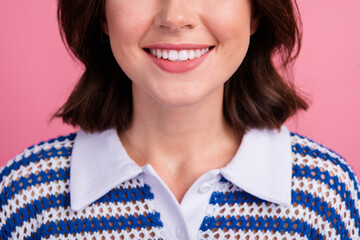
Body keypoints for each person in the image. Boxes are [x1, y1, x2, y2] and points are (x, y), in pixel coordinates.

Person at [1, 0, 359, 238]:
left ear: (255, 12)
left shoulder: (324, 194)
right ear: (102, 13)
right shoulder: (25, 195)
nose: (175, 17)